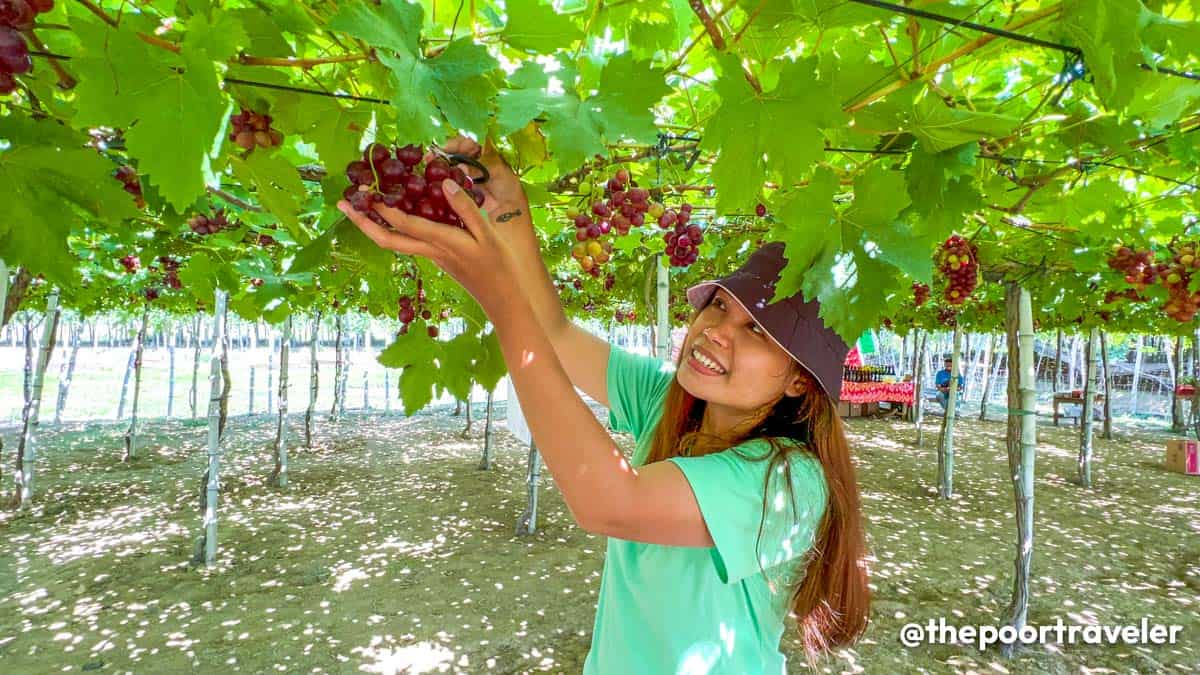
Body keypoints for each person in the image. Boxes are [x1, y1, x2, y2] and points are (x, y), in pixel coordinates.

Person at [338, 136, 871, 673]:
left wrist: (497, 295)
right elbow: (553, 331)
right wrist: (510, 214)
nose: (714, 332)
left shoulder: (788, 481)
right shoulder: (671, 399)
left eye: (756, 330)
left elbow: (609, 503)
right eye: (718, 307)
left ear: (801, 382)